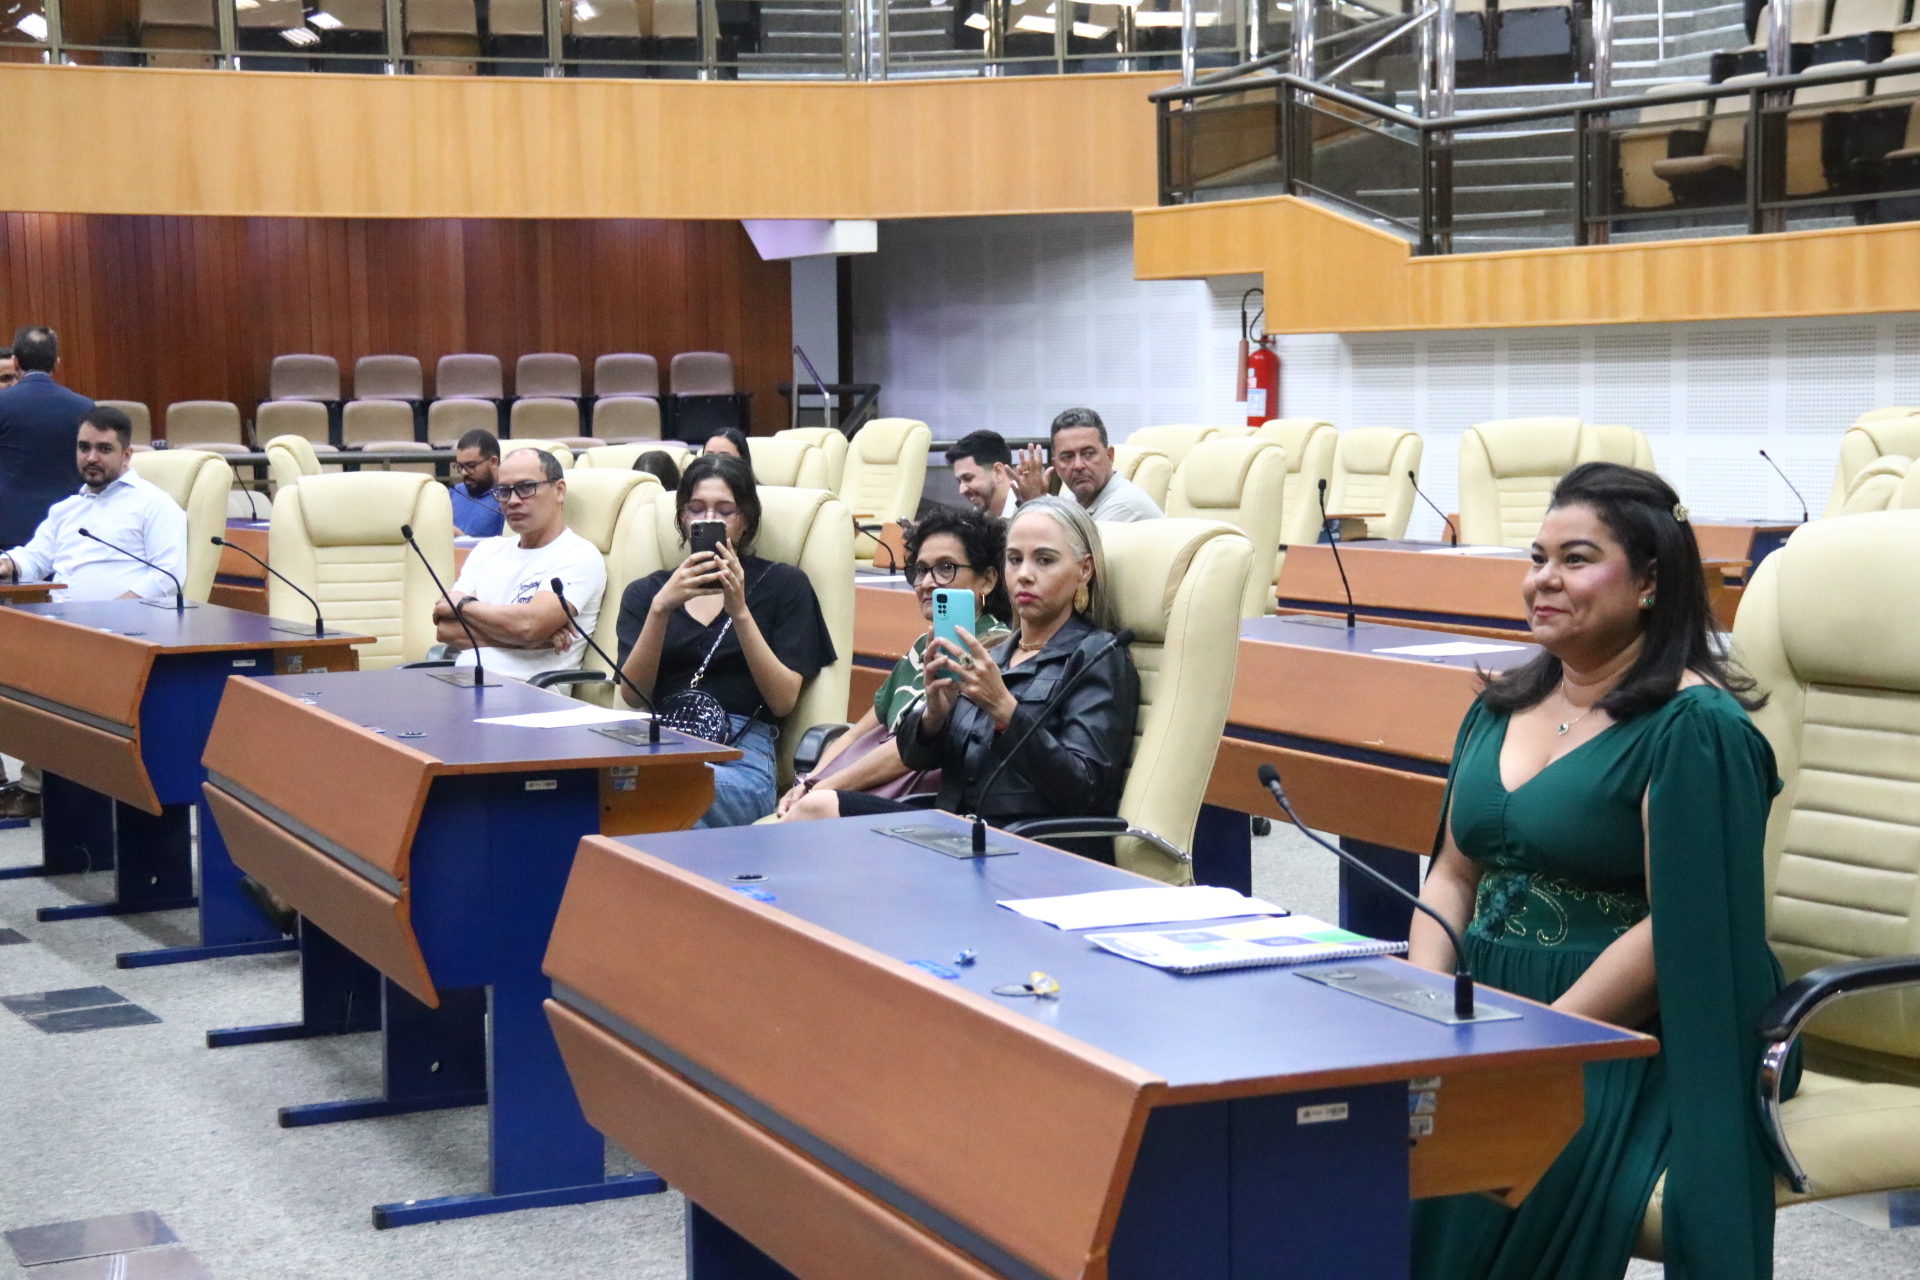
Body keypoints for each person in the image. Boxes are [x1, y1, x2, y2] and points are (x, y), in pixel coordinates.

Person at [1408, 463, 1789, 1280]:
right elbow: (1452, 876)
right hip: (1483, 1006)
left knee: (1477, 1159)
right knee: (1341, 1131)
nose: (1543, 580)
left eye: (1575, 559)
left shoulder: (1693, 728)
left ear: (1650, 582)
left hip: (1624, 1028)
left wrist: (1539, 1040)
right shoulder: (1498, 706)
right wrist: (1426, 1004)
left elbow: (1682, 928)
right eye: (1536, 558)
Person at [820, 496, 1138, 861]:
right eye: (1014, 559)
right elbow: (916, 756)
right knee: (818, 808)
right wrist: (935, 716)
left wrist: (1004, 710)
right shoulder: (994, 653)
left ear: (1084, 570)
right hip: (956, 833)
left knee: (821, 810)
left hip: (1029, 847)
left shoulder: (1098, 656)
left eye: (1044, 560)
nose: (1024, 574)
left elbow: (1085, 791)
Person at [615, 453, 836, 827]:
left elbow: (782, 701)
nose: (708, 519)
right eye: (696, 509)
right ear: (682, 518)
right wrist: (661, 609)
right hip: (662, 744)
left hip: (742, 755)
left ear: (745, 519)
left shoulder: (784, 584)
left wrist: (740, 611)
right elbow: (633, 695)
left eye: (724, 510)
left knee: (662, 790)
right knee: (604, 787)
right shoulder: (649, 592)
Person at [777, 508, 1012, 819]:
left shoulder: (991, 651)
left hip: (917, 801)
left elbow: (907, 751)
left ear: (988, 580)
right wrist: (807, 782)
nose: (927, 582)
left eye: (946, 568)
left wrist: (822, 789)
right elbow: (855, 734)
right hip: (859, 789)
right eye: (921, 569)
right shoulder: (923, 646)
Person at [437, 448, 605, 682]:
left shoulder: (579, 554)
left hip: (531, 692)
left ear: (559, 491)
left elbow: (529, 626)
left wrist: (463, 604)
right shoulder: (487, 550)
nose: (513, 501)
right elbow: (445, 629)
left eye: (526, 488)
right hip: (464, 683)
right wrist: (533, 640)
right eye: (504, 491)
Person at [0, 406, 187, 603]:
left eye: (104, 449)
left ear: (126, 455)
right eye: (84, 447)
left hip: (123, 619)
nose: (91, 458)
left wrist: (114, 610)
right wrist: (7, 564)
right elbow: (35, 560)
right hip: (55, 617)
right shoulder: (65, 509)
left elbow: (168, 575)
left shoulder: (155, 504)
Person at [0, 325, 96, 551]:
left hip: (9, 533)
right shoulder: (86, 407)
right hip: (69, 531)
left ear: (15, 361)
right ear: (56, 363)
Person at [1013, 408, 1162, 523]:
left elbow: (1067, 552)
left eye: (1088, 454)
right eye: (1068, 457)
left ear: (1109, 456)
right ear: (1056, 466)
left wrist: (1034, 506)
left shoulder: (1125, 504)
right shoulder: (1071, 499)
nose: (1078, 465)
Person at [946, 430, 1020, 520]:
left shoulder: (1031, 512)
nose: (962, 490)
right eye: (959, 482)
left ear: (998, 472)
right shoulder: (973, 520)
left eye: (968, 478)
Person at [449, 428, 504, 537]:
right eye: (460, 466)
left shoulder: (509, 499)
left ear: (493, 462)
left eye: (471, 466)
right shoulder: (454, 493)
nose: (464, 472)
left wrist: (463, 540)